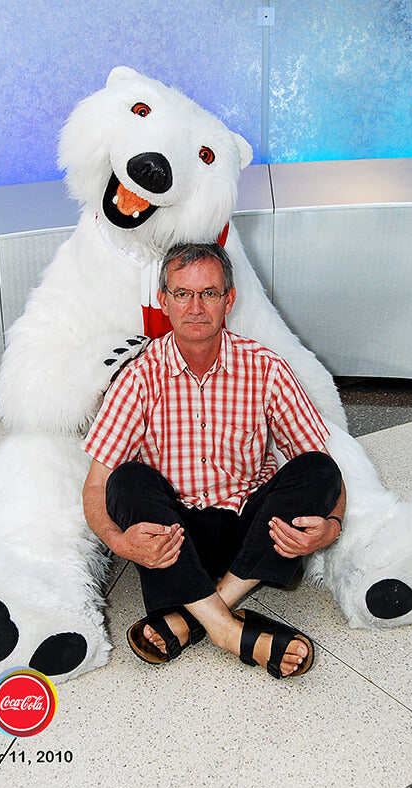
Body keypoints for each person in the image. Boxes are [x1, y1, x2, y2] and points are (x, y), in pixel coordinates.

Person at [82, 243, 345, 679]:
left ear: (230, 299)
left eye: (209, 293)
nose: (196, 307)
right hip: (178, 537)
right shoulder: (138, 377)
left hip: (247, 529)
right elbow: (95, 486)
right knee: (126, 479)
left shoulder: (266, 369)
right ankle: (227, 628)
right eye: (183, 294)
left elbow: (325, 470)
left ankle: (195, 616)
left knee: (319, 468)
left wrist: (330, 527)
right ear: (164, 301)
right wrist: (119, 543)